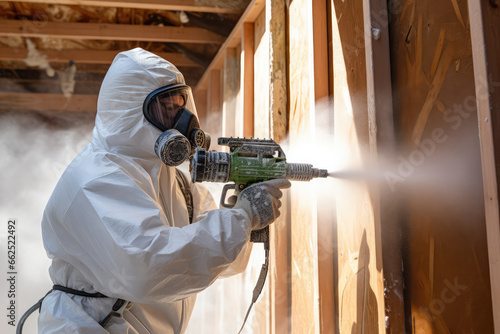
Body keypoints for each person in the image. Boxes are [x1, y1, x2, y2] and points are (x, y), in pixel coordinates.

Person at [35, 48, 290, 333]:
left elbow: (214, 260)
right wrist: (243, 218)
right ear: (130, 112)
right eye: (166, 109)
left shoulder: (176, 183)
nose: (181, 121)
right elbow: (152, 269)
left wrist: (243, 209)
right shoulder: (95, 179)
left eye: (180, 107)